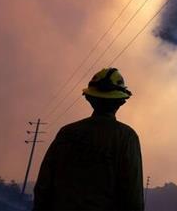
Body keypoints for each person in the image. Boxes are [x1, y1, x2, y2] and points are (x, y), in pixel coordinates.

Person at [34, 68, 144, 211]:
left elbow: (43, 187)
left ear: (89, 98)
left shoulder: (67, 133)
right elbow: (132, 197)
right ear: (121, 101)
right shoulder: (126, 137)